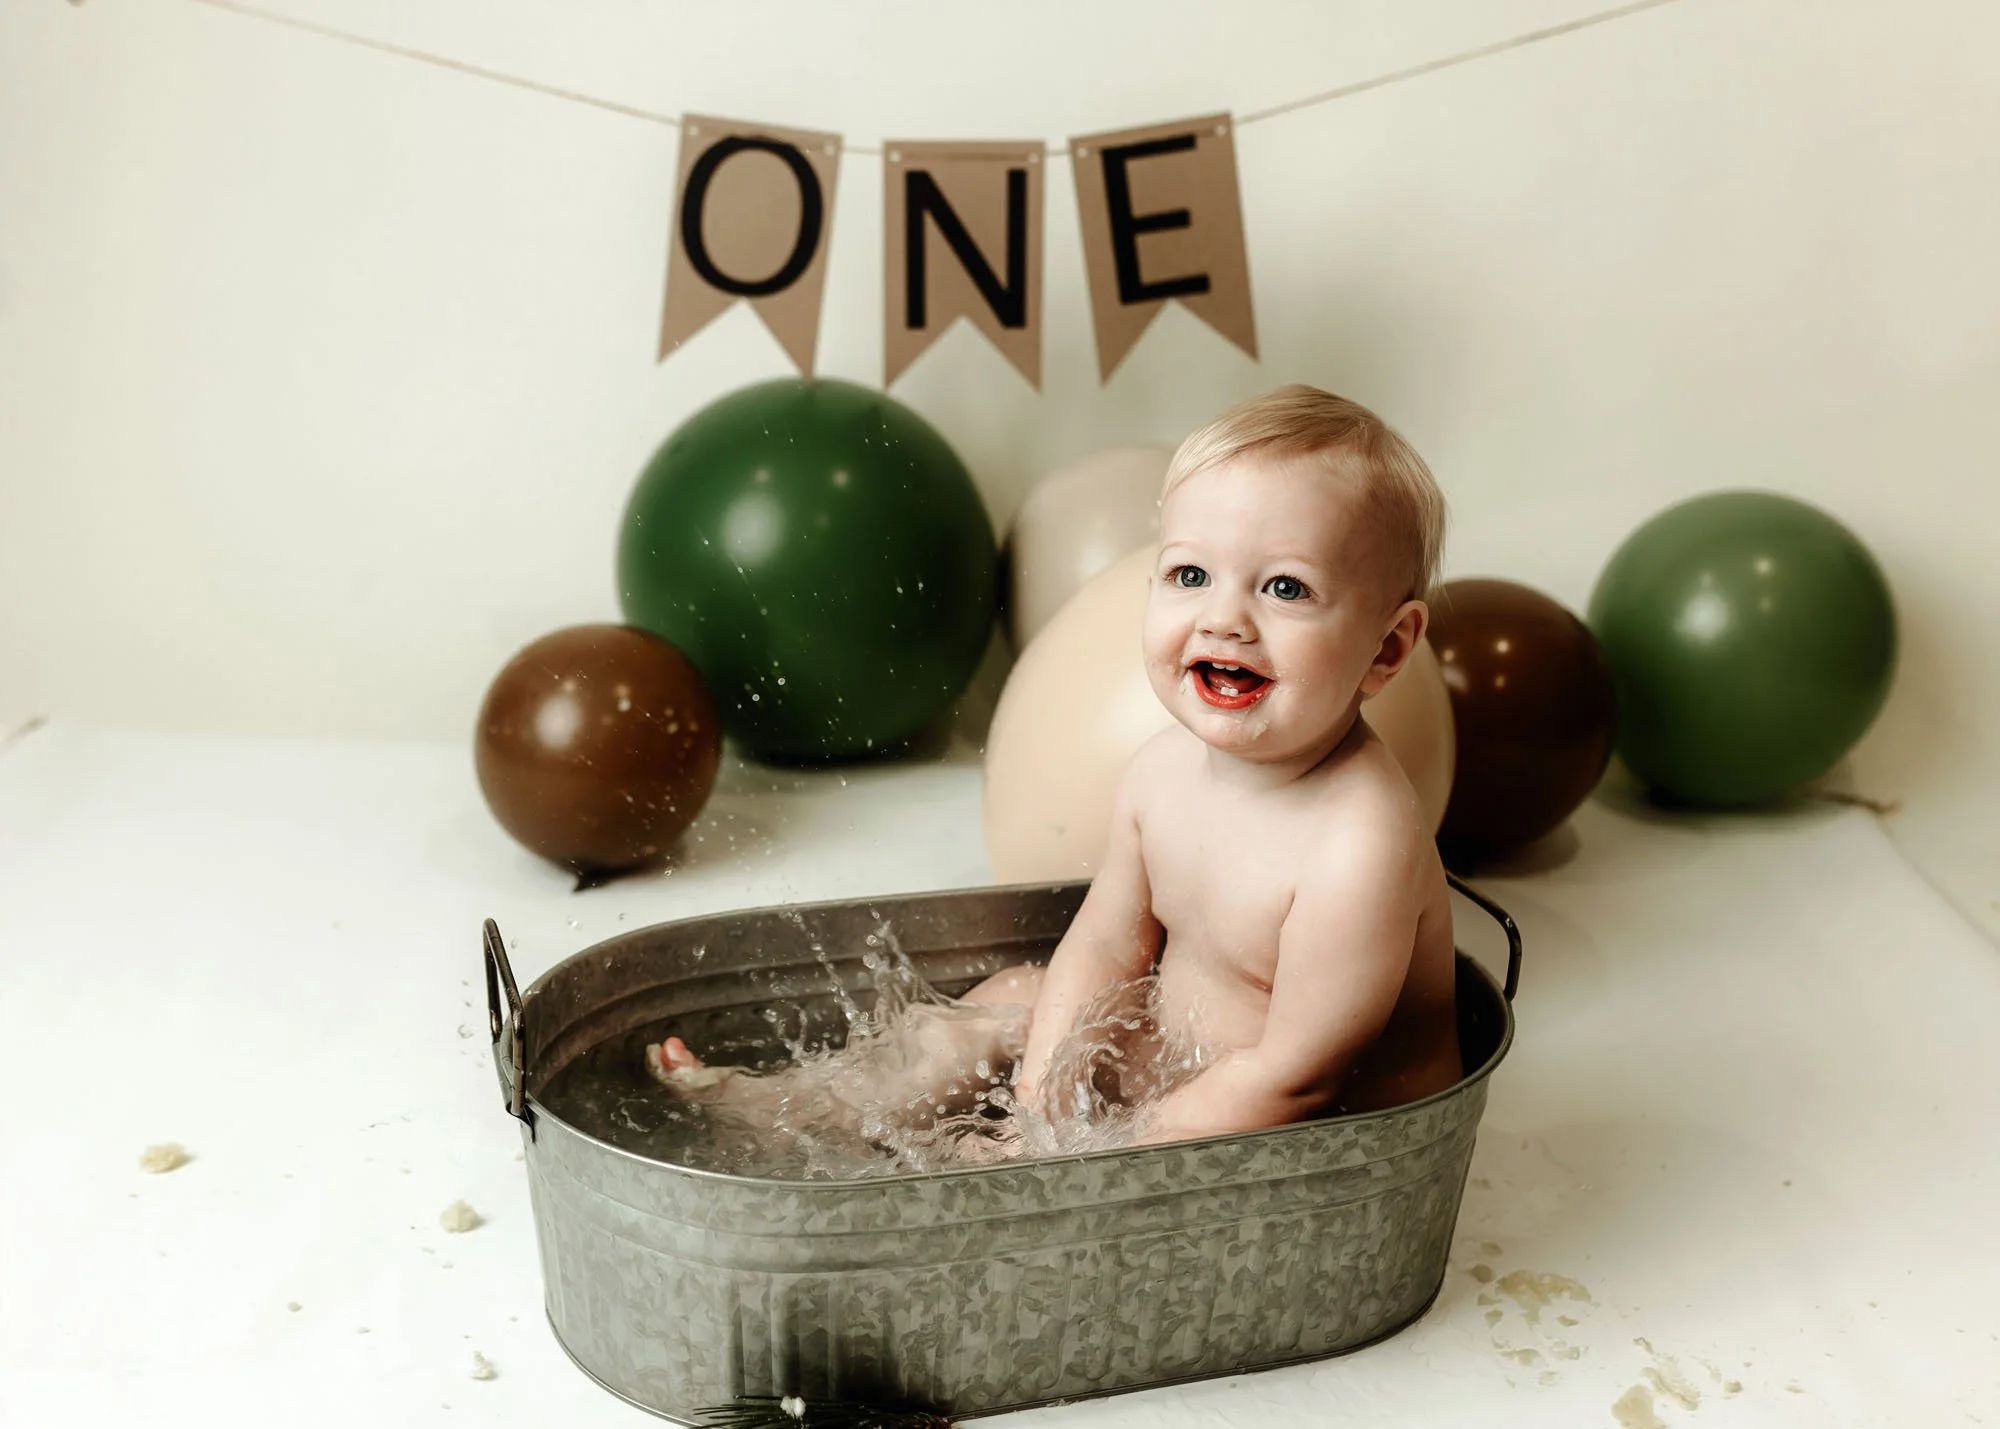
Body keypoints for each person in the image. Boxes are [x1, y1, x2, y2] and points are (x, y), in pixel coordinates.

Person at [650, 384, 1461, 1152]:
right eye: (1190, 574)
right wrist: (1039, 1107)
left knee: (1162, 1095)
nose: (1223, 617)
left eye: (1285, 586)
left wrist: (1087, 1161)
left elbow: (1294, 1080)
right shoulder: (1162, 773)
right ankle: (802, 1111)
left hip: (1306, 1137)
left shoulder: (1359, 847)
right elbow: (1106, 946)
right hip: (1183, 1071)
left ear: (1387, 648)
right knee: (1010, 999)